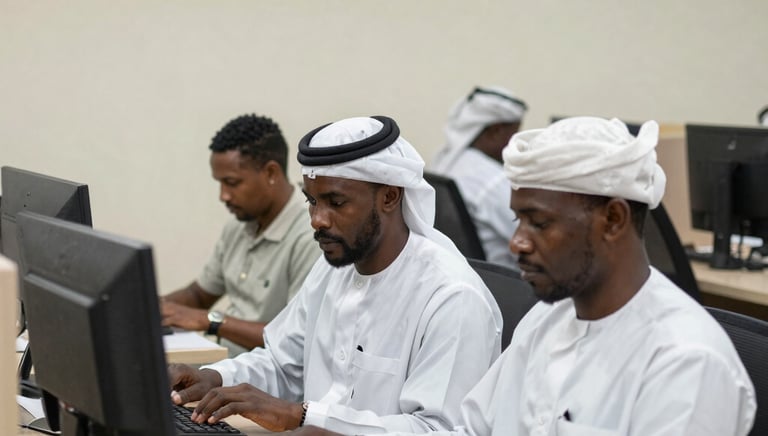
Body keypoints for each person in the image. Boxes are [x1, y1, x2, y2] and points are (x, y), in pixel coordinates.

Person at [289, 117, 757, 436]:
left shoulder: (687, 362)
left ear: (613, 219)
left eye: (540, 222)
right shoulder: (545, 324)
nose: (517, 243)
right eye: (518, 221)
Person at [167, 116, 503, 434]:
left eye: (336, 202)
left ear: (389, 196)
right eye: (312, 201)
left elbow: (439, 430)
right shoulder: (333, 267)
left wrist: (303, 416)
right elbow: (284, 363)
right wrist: (214, 377)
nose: (317, 219)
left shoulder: (451, 297)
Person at [161, 114, 320, 356]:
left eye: (232, 183)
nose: (223, 195)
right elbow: (198, 295)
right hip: (225, 366)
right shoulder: (240, 223)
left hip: (267, 380)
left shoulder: (310, 234)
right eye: (220, 183)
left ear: (271, 173)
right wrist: (149, 310)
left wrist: (211, 320)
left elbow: (296, 339)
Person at [429, 86, 527, 269]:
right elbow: (532, 236)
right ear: (495, 131)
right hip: (506, 286)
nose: (516, 144)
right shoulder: (493, 181)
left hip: (458, 272)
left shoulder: (443, 161)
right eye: (513, 134)